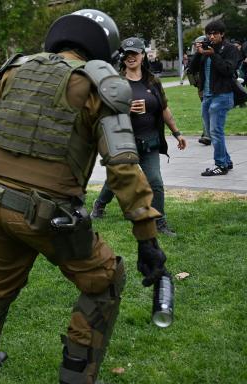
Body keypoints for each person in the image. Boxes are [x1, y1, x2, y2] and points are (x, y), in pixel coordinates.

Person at [0, 9, 171, 384]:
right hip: (48, 213)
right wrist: (147, 238)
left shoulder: (17, 70)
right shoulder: (97, 83)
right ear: (103, 46)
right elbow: (122, 167)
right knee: (104, 280)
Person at [91, 37, 187, 237]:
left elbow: (164, 109)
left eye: (135, 53)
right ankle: (99, 205)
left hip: (149, 141)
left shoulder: (153, 81)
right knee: (117, 177)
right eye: (127, 54)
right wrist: (126, 109)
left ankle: (160, 222)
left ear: (143, 55)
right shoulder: (116, 83)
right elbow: (103, 113)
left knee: (156, 182)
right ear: (123, 57)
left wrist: (177, 133)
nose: (131, 57)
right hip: (124, 143)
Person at [190, 20, 242, 176]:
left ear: (222, 34)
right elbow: (191, 70)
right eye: (209, 33)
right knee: (212, 133)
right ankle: (226, 160)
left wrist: (213, 55)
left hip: (223, 95)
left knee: (216, 131)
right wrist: (198, 54)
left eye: (215, 33)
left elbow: (227, 69)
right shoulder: (205, 49)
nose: (211, 36)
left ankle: (220, 165)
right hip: (207, 96)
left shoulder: (230, 49)